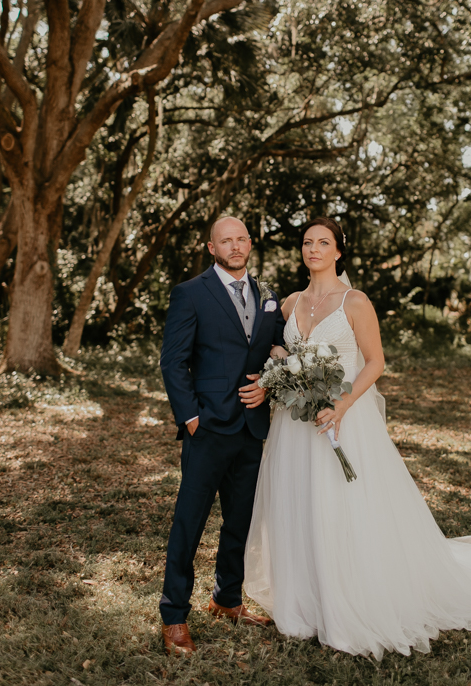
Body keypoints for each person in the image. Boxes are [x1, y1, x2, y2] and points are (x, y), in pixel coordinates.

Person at [244, 216, 471, 660]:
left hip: (343, 419)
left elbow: (375, 362)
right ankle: (304, 600)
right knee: (299, 503)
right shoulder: (291, 302)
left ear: (338, 251)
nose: (313, 249)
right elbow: (276, 349)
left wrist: (342, 405)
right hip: (297, 426)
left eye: (323, 242)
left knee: (343, 506)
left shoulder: (354, 301)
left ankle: (349, 599)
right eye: (307, 242)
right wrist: (281, 364)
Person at [158, 216, 285, 655]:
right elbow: (172, 362)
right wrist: (190, 418)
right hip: (207, 428)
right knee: (189, 523)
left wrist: (269, 381)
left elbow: (279, 349)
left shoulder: (268, 296)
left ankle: (226, 599)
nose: (234, 246)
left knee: (239, 521)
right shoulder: (190, 293)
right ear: (210, 248)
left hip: (252, 427)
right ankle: (173, 615)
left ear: (250, 243)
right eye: (224, 241)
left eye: (240, 239)